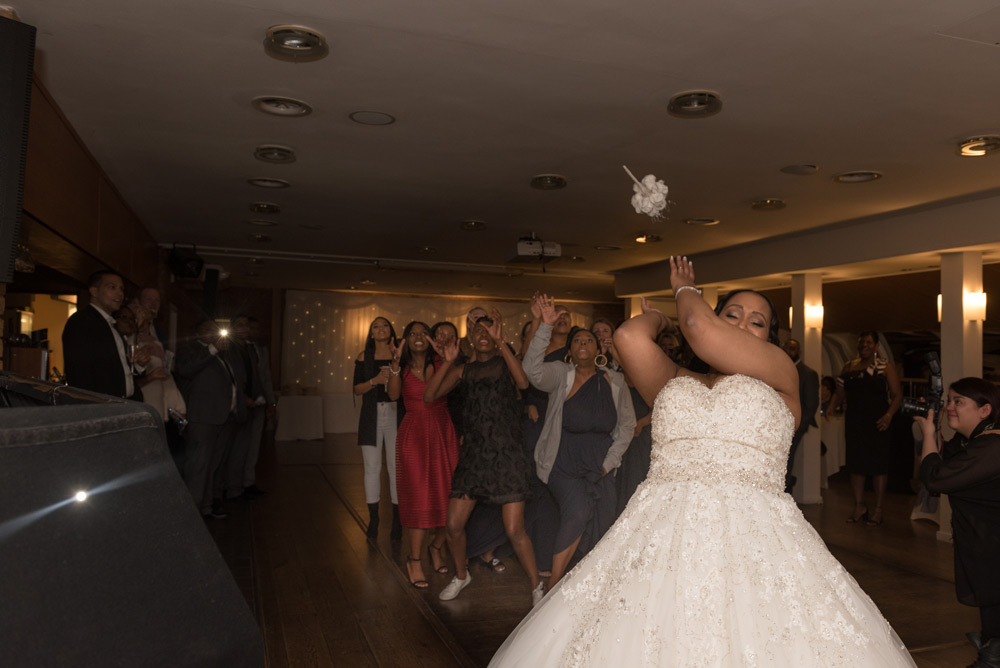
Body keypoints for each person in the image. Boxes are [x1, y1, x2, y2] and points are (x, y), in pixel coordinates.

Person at [489, 256, 916, 668]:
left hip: (754, 538)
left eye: (757, 321)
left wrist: (684, 290)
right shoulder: (678, 381)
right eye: (732, 315)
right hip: (660, 532)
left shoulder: (781, 374)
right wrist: (662, 319)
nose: (744, 325)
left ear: (770, 337)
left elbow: (697, 324)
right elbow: (628, 338)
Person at [424, 309, 542, 604]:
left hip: (507, 455)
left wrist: (502, 344)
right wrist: (448, 363)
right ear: (470, 340)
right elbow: (429, 396)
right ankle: (462, 576)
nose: (484, 335)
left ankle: (536, 586)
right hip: (474, 456)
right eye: (478, 332)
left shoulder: (504, 363)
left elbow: (524, 383)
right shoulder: (462, 370)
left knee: (515, 530)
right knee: (453, 526)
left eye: (489, 331)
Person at [522, 299, 636, 588]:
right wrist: (545, 325)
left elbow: (626, 427)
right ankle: (553, 586)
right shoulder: (561, 375)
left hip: (600, 463)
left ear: (598, 350)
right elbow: (531, 371)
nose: (583, 343)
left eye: (589, 339)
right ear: (570, 351)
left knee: (603, 521)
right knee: (578, 512)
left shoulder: (616, 382)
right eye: (577, 340)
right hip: (564, 461)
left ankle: (588, 585)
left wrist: (609, 463)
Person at [915, 378, 1000, 668]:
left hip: (993, 544)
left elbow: (935, 478)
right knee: (991, 604)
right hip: (986, 543)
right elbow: (940, 464)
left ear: (985, 410)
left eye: (958, 401)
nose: (949, 407)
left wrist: (927, 433)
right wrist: (934, 432)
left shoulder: (992, 447)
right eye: (949, 400)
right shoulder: (972, 441)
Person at [387, 321, 459, 589]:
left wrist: (448, 359)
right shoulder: (401, 369)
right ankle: (414, 559)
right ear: (404, 340)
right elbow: (394, 395)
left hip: (442, 432)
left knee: (448, 495)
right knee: (418, 497)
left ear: (430, 338)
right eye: (412, 334)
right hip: (414, 436)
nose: (418, 337)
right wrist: (395, 363)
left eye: (422, 333)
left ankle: (436, 546)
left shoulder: (443, 363)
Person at [174, 319, 245, 520]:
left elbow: (236, 381)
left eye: (216, 330)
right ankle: (191, 512)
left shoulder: (226, 354)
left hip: (225, 416)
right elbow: (185, 370)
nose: (214, 333)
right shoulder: (189, 350)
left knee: (214, 465)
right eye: (208, 330)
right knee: (198, 465)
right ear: (198, 333)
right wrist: (212, 350)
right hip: (202, 417)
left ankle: (207, 506)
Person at [835, 330, 902, 526]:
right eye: (861, 342)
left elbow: (897, 395)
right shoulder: (849, 367)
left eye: (869, 342)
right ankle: (859, 506)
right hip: (855, 422)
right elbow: (840, 394)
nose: (864, 345)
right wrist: (831, 405)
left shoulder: (884, 366)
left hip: (879, 422)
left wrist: (889, 416)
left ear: (876, 346)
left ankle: (879, 509)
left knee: (878, 466)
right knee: (856, 465)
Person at [352, 316, 403, 541]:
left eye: (384, 325)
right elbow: (356, 389)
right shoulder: (365, 356)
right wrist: (374, 381)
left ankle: (397, 521)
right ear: (371, 334)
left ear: (391, 331)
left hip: (395, 413)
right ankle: (374, 519)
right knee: (371, 468)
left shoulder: (398, 355)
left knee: (395, 468)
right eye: (376, 326)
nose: (380, 329)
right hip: (371, 414)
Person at [62, 270, 149, 400]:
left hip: (124, 404)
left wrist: (139, 364)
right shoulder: (81, 322)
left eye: (121, 289)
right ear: (94, 291)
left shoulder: (112, 325)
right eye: (112, 287)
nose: (119, 293)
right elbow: (79, 374)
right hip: (102, 407)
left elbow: (119, 370)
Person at [782, 337, 820, 494]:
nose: (789, 351)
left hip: (796, 425)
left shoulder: (808, 373)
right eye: (786, 348)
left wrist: (796, 426)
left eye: (792, 348)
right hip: (779, 422)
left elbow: (811, 405)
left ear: (799, 352)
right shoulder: (779, 368)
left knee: (787, 459)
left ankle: (785, 492)